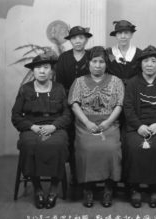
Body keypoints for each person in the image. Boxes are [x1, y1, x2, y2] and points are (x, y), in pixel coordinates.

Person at [11, 52, 71, 209]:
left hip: (55, 126)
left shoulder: (59, 88)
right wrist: (32, 127)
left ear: (51, 70)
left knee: (58, 144)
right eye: (38, 68)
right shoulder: (25, 89)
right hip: (32, 127)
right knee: (29, 144)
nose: (42, 71)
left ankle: (53, 188)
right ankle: (37, 188)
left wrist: (54, 126)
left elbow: (67, 114)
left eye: (46, 67)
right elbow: (16, 116)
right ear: (33, 71)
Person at [68, 46, 124, 208]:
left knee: (111, 148)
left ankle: (108, 188)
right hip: (85, 124)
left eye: (101, 62)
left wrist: (106, 123)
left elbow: (119, 105)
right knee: (87, 148)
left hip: (109, 123)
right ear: (89, 63)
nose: (98, 65)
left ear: (106, 63)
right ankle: (88, 188)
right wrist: (87, 122)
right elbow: (74, 105)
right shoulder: (78, 82)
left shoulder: (116, 81)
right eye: (94, 61)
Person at [124, 46, 156, 208]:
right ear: (140, 64)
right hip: (136, 126)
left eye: (154, 61)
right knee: (133, 146)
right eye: (146, 61)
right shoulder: (132, 83)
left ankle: (155, 188)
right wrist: (138, 126)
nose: (150, 64)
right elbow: (128, 108)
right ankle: (135, 188)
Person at [55, 25, 93, 185]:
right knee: (70, 137)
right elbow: (60, 84)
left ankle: (89, 174)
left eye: (81, 37)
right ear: (70, 40)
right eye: (74, 38)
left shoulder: (91, 56)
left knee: (88, 137)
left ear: (86, 39)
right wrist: (71, 101)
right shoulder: (64, 57)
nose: (78, 41)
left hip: (90, 104)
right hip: (68, 104)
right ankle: (74, 176)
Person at [106, 20, 142, 85]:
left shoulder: (139, 54)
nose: (123, 36)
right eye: (119, 33)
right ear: (115, 35)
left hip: (133, 91)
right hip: (113, 90)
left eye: (126, 33)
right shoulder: (109, 53)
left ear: (131, 35)